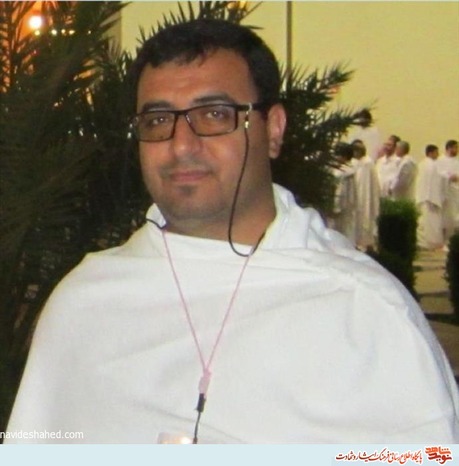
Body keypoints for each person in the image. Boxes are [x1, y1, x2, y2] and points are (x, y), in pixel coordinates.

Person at [6, 19, 459, 444]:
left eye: (214, 114)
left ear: (274, 128)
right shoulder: (87, 303)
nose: (181, 145)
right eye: (158, 120)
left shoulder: (361, 310)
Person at [350, 139, 380, 251]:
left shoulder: (367, 163)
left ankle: (365, 244)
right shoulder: (354, 162)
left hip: (365, 197)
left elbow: (367, 184)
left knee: (365, 219)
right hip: (356, 197)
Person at [416, 144, 447, 250]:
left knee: (423, 222)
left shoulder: (421, 164)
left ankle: (423, 243)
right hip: (432, 198)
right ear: (431, 153)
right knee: (432, 223)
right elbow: (437, 181)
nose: (438, 155)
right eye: (436, 152)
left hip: (422, 196)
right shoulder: (433, 165)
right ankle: (432, 243)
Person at [328, 142, 356, 245]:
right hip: (331, 207)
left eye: (339, 154)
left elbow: (341, 192)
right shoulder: (334, 169)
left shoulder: (346, 173)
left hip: (340, 209)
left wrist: (336, 207)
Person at [437, 140, 459, 244]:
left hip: (455, 191)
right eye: (455, 147)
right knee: (443, 216)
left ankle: (452, 239)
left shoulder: (457, 161)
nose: (457, 150)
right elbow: (438, 173)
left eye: (457, 147)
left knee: (453, 215)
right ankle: (444, 239)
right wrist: (448, 176)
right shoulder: (440, 160)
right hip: (443, 192)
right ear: (449, 148)